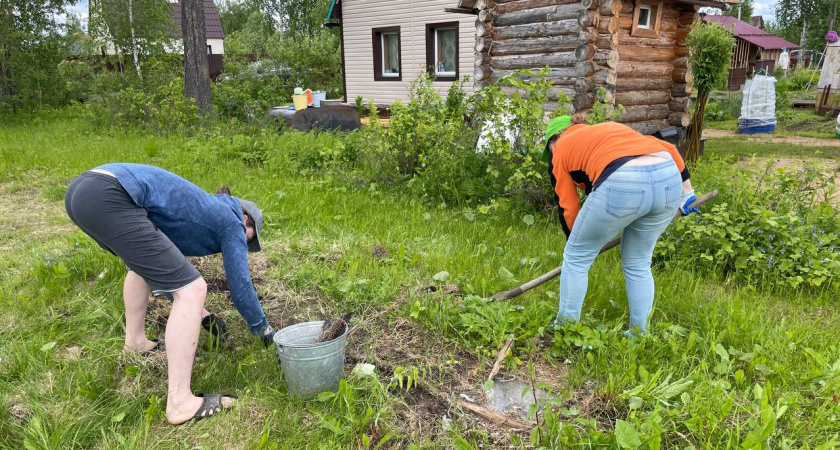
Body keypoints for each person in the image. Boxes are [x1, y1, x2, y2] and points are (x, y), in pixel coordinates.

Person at [64, 163, 275, 425]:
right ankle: (180, 403)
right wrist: (264, 331)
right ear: (245, 218)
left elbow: (161, 273)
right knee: (194, 288)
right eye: (250, 235)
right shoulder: (231, 221)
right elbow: (240, 287)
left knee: (140, 268)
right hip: (111, 193)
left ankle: (136, 343)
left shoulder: (196, 212)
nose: (246, 241)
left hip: (83, 190)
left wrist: (203, 315)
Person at [542, 117, 697, 336]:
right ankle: (639, 333)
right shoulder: (611, 129)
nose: (551, 154)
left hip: (622, 179)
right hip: (668, 177)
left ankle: (565, 328)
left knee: (576, 258)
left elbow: (568, 205)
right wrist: (687, 192)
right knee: (638, 262)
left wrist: (577, 243)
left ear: (555, 138)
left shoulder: (560, 149)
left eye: (549, 149)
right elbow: (669, 148)